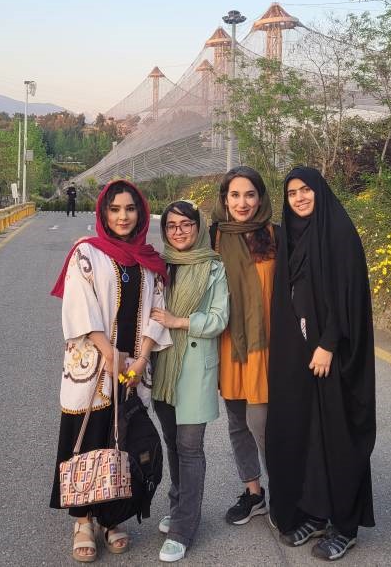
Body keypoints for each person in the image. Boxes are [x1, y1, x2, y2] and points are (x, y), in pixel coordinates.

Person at [50, 179, 171, 562]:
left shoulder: (149, 260)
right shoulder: (86, 254)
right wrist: (110, 354)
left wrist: (141, 359)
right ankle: (83, 520)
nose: (123, 216)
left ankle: (112, 516)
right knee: (87, 437)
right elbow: (79, 306)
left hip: (132, 369)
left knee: (122, 440)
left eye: (130, 209)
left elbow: (157, 310)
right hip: (93, 367)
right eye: (115, 209)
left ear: (141, 213)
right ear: (104, 213)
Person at [266, 166, 376, 561]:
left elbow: (349, 295)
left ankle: (344, 526)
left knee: (337, 435)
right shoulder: (292, 236)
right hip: (299, 355)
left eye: (305, 190)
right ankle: (314, 512)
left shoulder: (338, 233)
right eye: (291, 192)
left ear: (320, 191)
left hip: (334, 354)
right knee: (307, 434)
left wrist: (328, 343)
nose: (299, 198)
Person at [209, 166, 290, 526]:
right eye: (235, 195)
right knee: (237, 422)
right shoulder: (213, 237)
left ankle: (285, 493)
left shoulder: (277, 236)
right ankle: (254, 493)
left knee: (262, 424)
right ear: (224, 199)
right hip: (228, 344)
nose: (242, 203)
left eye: (250, 195)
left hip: (266, 344)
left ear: (261, 198)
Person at [150, 201, 229, 562]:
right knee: (172, 443)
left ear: (198, 228)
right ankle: (179, 504)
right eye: (172, 226)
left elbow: (219, 319)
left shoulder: (214, 267)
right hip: (164, 367)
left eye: (186, 224)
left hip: (195, 369)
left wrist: (178, 321)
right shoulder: (159, 266)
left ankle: (183, 528)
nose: (179, 231)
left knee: (190, 447)